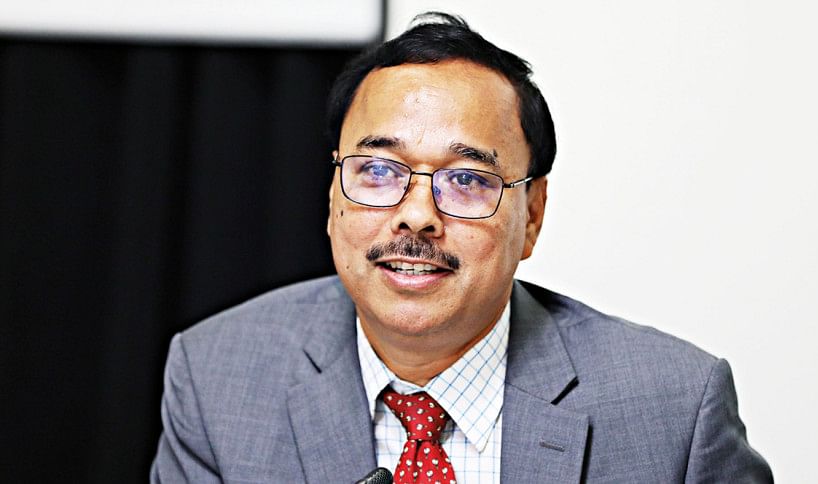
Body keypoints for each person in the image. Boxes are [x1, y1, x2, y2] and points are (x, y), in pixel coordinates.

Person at [151, 12, 772, 483]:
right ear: (334, 195)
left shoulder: (674, 411)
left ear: (532, 215)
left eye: (468, 179)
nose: (417, 216)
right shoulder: (217, 377)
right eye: (378, 171)